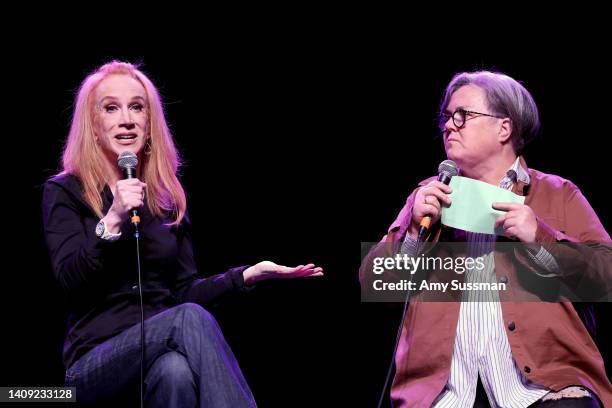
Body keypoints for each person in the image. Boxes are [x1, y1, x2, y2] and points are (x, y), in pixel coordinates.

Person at [42, 60, 323, 407]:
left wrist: (245, 276)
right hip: (93, 364)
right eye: (111, 108)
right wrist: (112, 218)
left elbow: (182, 294)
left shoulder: (166, 198)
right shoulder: (66, 191)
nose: (127, 119)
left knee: (173, 371)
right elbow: (71, 279)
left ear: (149, 123)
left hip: (162, 350)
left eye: (137, 107)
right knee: (188, 322)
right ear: (94, 125)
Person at [360, 71, 612, 407]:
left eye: (463, 115)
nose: (449, 125)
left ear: (504, 128)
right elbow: (374, 285)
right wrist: (416, 232)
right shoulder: (427, 197)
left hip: (544, 392)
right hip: (444, 397)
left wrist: (539, 236)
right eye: (447, 117)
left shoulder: (556, 193)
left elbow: (606, 277)